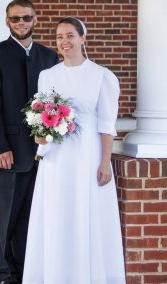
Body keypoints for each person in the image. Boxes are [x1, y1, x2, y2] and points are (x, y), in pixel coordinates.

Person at [22, 17, 126, 284]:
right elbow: (41, 113)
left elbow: (106, 125)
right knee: (56, 212)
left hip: (86, 154)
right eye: (59, 37)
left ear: (83, 39)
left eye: (69, 35)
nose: (64, 42)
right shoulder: (48, 75)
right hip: (56, 158)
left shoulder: (102, 76)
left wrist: (105, 162)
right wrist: (40, 136)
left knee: (84, 210)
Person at [0, 0, 58, 284]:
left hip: (42, 152)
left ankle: (25, 271)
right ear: (7, 22)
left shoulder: (49, 57)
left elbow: (53, 102)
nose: (21, 23)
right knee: (4, 218)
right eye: (15, 19)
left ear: (35, 19)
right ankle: (1, 273)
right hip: (8, 152)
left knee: (30, 217)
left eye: (26, 17)